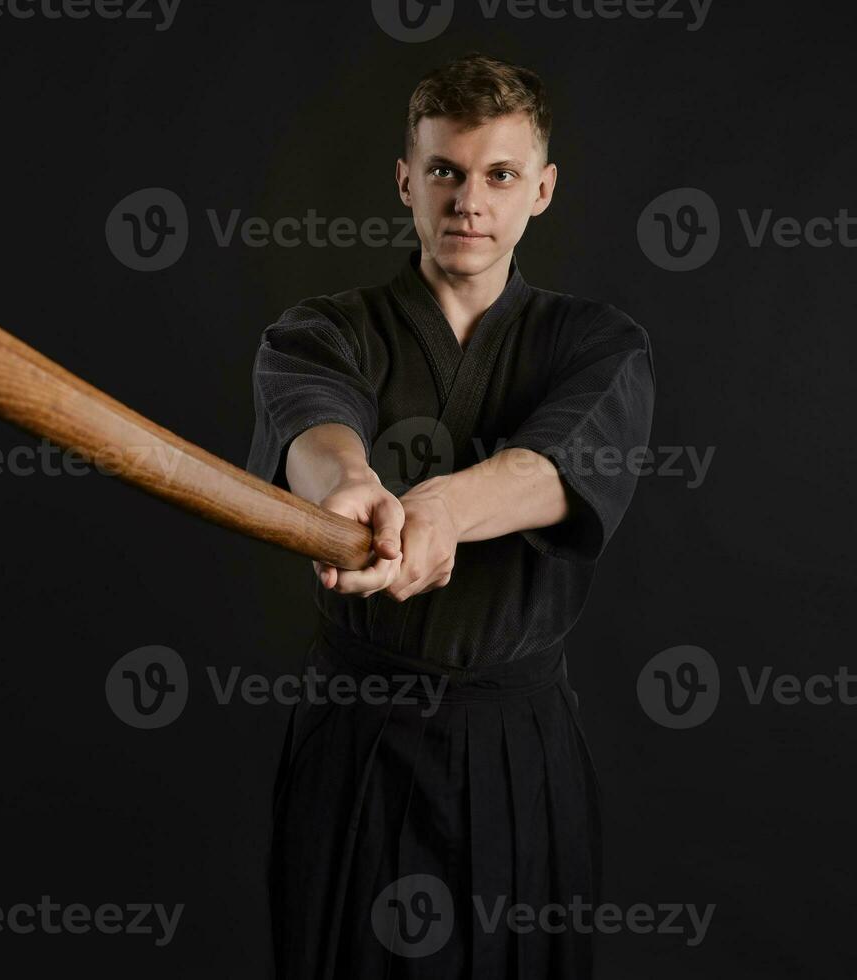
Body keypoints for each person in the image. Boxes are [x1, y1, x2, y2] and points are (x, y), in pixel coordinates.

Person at [246, 53, 656, 979]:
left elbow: (552, 468)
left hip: (519, 738)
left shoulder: (598, 344)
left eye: (500, 175)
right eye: (446, 171)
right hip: (356, 736)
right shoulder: (322, 330)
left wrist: (431, 512)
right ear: (406, 180)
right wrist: (347, 489)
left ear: (541, 190)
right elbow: (315, 431)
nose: (470, 200)